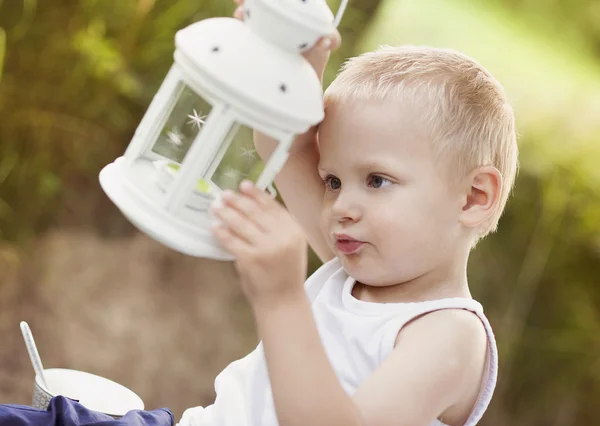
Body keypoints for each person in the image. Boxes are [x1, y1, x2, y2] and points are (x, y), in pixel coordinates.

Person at [178, 1, 518, 426]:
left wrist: (281, 299)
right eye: (333, 181)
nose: (340, 206)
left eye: (376, 180)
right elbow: (287, 147)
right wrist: (293, 63)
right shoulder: (352, 267)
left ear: (471, 197)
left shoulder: (449, 335)